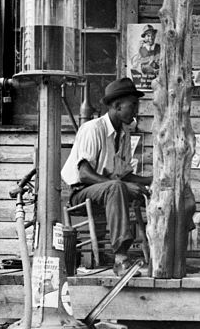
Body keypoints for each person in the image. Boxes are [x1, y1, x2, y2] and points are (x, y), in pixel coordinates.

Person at [61, 78, 152, 276]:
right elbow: (84, 174)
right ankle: (120, 259)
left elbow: (124, 174)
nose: (136, 110)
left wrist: (153, 181)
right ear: (117, 106)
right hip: (81, 192)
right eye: (133, 105)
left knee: (160, 189)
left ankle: (167, 255)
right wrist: (123, 185)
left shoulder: (124, 133)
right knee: (117, 187)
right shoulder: (93, 128)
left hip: (109, 190)